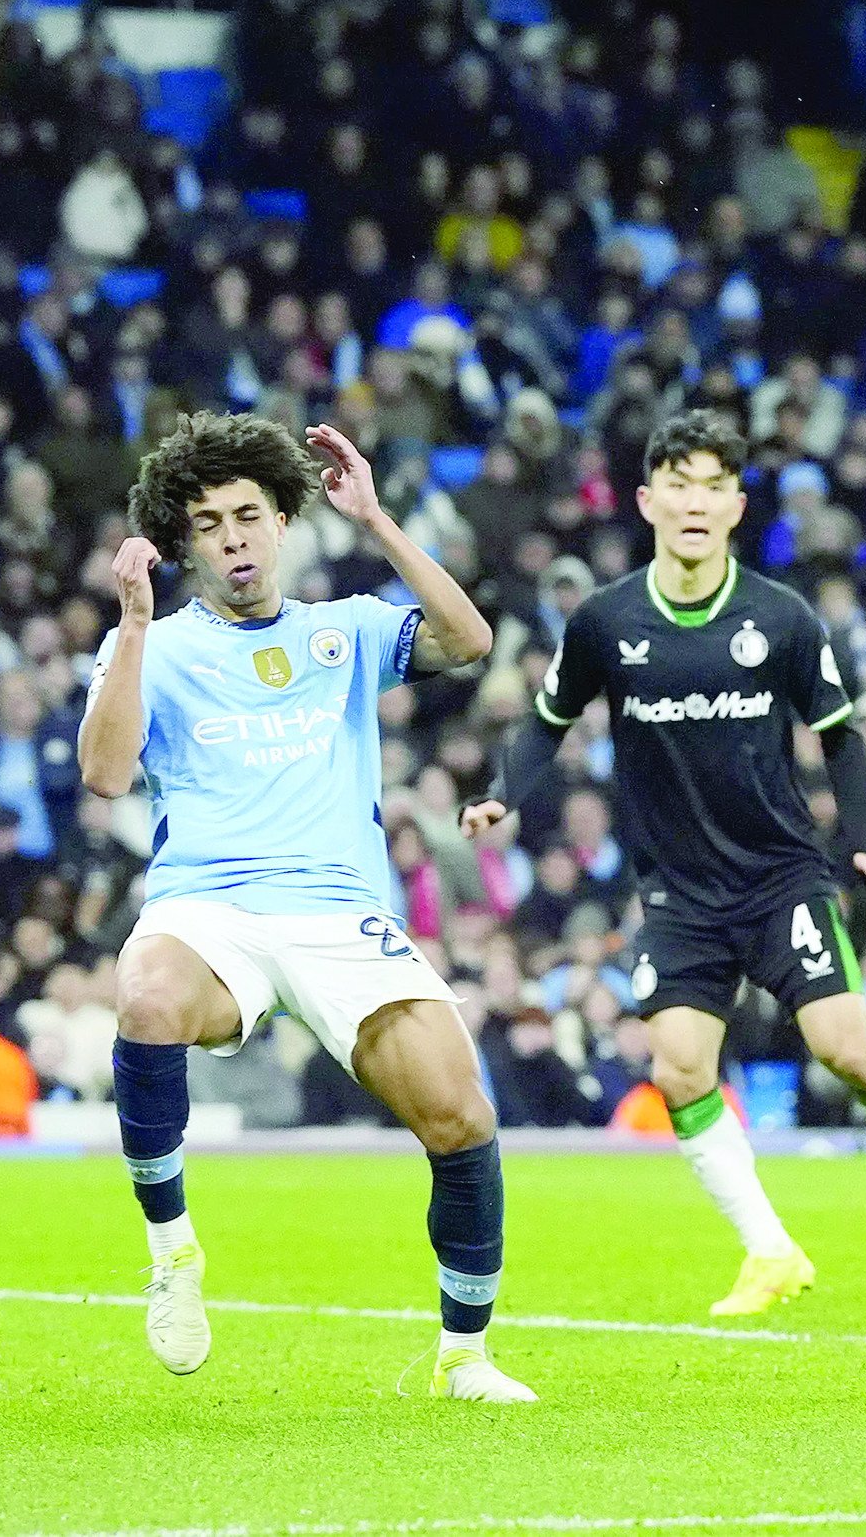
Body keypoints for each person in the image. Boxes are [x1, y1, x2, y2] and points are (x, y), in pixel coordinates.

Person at [467, 412, 866, 1316]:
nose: (695, 499)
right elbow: (549, 717)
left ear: (738, 505)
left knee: (848, 1052)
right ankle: (770, 1249)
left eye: (713, 484)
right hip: (675, 891)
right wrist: (504, 791)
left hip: (781, 876)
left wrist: (861, 841)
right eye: (678, 482)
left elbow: (843, 739)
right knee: (677, 1069)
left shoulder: (782, 618)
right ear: (647, 501)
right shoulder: (605, 619)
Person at [74, 412, 529, 1399]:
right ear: (184, 542)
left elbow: (469, 639)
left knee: (459, 1114)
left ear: (284, 520)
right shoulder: (149, 643)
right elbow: (106, 774)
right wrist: (137, 628)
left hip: (337, 909)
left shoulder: (348, 627)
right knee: (146, 994)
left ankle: (465, 1354)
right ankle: (174, 1250)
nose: (233, 536)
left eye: (248, 514)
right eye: (208, 522)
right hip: (211, 905)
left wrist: (375, 519)